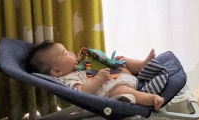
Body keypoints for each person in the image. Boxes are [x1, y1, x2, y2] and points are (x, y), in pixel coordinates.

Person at [26, 41, 164, 109]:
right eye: (66, 53)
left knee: (121, 60)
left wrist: (108, 62)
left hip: (119, 76)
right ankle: (152, 99)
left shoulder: (78, 66)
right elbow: (82, 92)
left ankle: (142, 65)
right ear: (57, 72)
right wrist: (99, 79)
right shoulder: (68, 80)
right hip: (112, 90)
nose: (71, 52)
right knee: (124, 92)